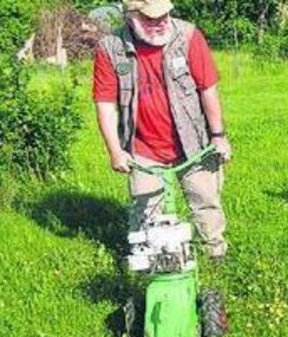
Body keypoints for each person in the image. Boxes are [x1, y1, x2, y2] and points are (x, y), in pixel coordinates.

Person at [93, 0, 232, 261]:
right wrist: (115, 151)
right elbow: (105, 104)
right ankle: (153, 265)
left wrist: (218, 136)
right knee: (146, 215)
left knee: (206, 201)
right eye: (150, 18)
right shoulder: (110, 48)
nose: (160, 22)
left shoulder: (188, 35)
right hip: (143, 150)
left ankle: (216, 256)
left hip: (194, 144)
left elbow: (207, 89)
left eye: (165, 14)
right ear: (130, 16)